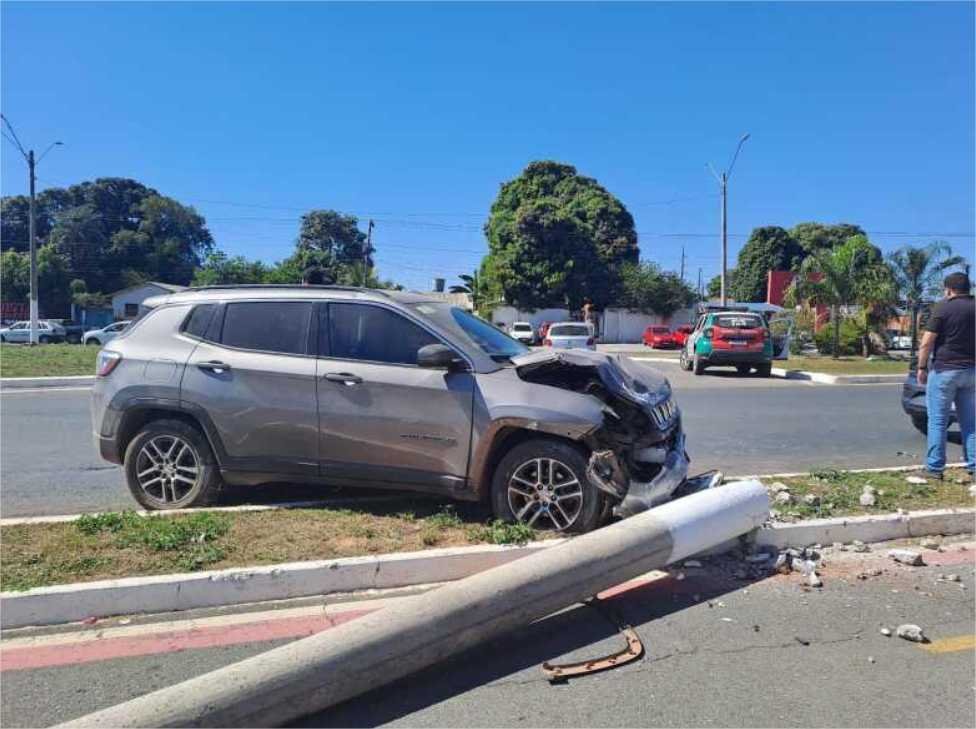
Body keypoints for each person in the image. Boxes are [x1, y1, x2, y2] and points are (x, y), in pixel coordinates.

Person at [916, 271, 975, 478]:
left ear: (949, 289)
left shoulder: (943, 307)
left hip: (945, 370)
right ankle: (974, 466)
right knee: (970, 423)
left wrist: (921, 367)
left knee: (938, 421)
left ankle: (934, 468)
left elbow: (927, 341)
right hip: (971, 372)